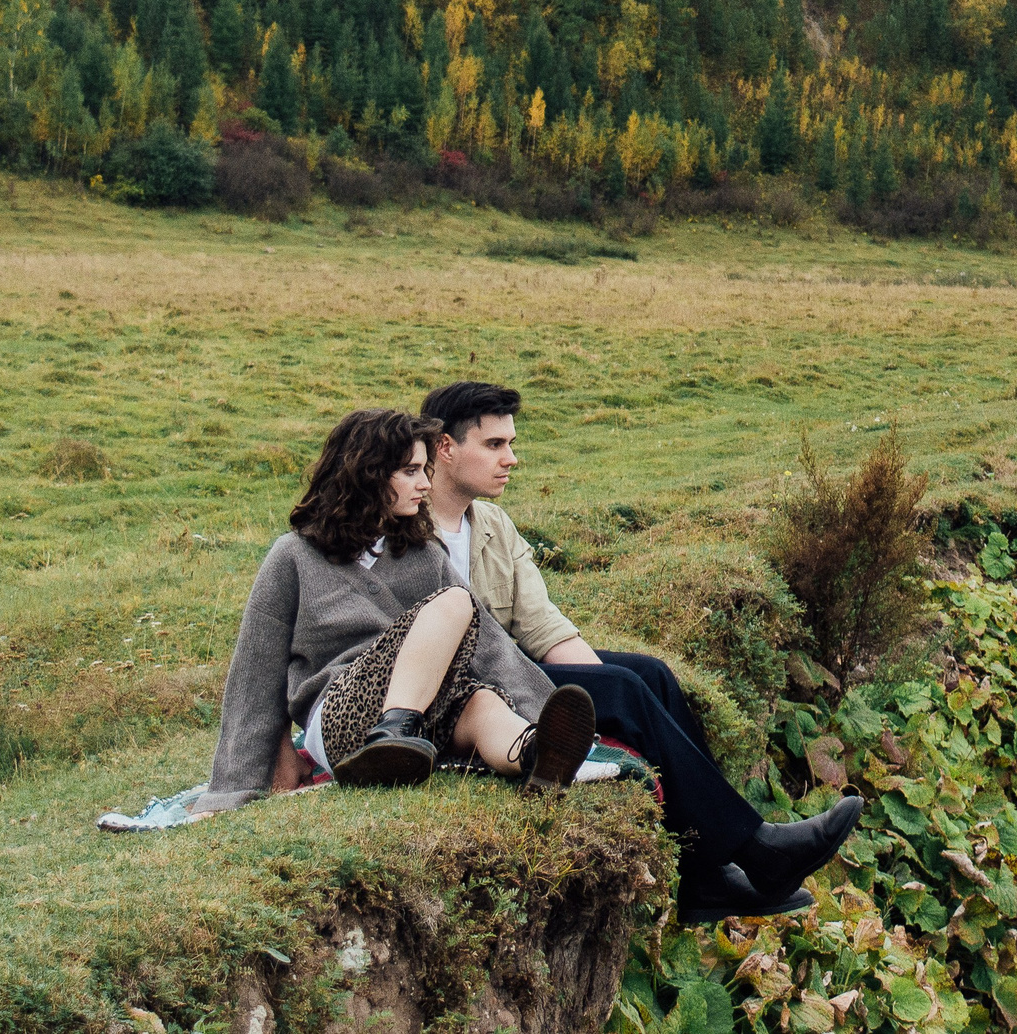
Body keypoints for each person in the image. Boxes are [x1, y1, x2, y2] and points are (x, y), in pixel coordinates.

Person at [418, 380, 861, 918]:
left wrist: (600, 686)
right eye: (495, 445)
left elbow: (542, 626)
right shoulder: (407, 535)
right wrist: (608, 694)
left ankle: (707, 877)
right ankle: (757, 849)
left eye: (512, 443)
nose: (512, 459)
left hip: (510, 666)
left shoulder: (491, 524)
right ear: (445, 447)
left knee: (648, 676)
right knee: (624, 690)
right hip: (463, 696)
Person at [204, 408, 595, 810]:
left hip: (425, 718)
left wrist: (541, 711)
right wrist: (242, 781)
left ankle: (535, 756)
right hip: (342, 713)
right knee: (457, 603)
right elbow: (256, 672)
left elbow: (491, 648)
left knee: (480, 702)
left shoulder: (425, 555)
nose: (426, 484)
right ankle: (391, 735)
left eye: (426, 469)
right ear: (367, 473)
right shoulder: (294, 556)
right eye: (411, 471)